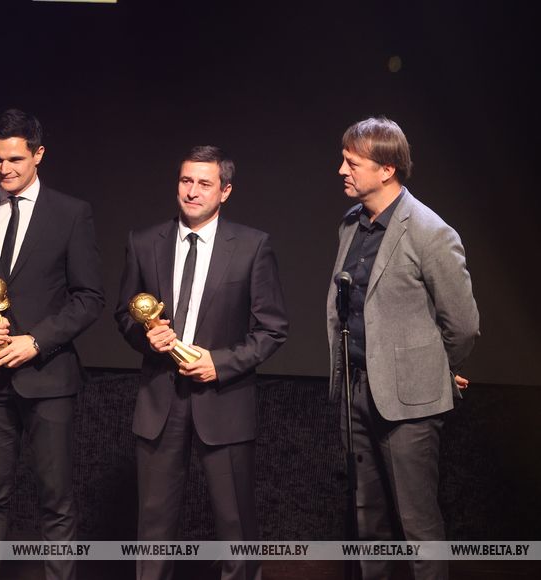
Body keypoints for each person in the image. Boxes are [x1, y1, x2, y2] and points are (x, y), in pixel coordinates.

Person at [0, 108, 104, 580]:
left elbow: (89, 297)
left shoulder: (71, 213)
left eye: (14, 159)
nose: (3, 169)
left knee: (56, 500)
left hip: (48, 378)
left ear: (38, 154)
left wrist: (37, 340)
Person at [115, 145, 288, 580]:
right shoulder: (144, 242)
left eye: (204, 184)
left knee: (236, 525)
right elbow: (125, 314)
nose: (192, 192)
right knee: (153, 526)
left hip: (223, 399)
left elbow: (272, 330)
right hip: (160, 399)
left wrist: (220, 363)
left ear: (225, 191)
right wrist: (147, 338)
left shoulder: (252, 246)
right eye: (186, 181)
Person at [326, 116, 480, 580]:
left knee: (418, 526)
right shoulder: (351, 224)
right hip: (357, 392)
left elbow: (463, 325)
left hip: (409, 404)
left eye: (352, 163)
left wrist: (434, 369)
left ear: (387, 169)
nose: (342, 170)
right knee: (366, 521)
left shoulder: (430, 231)